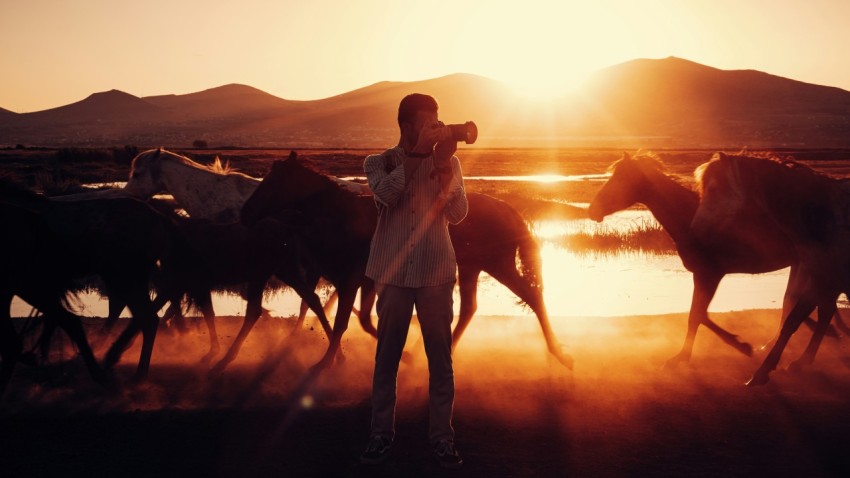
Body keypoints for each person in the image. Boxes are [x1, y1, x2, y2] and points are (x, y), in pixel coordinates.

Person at [359, 93, 469, 469]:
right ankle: (380, 435)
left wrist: (440, 167)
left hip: (436, 271)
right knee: (387, 357)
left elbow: (458, 213)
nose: (435, 130)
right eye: (428, 124)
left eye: (438, 123)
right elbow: (388, 195)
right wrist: (418, 155)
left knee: (440, 358)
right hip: (392, 272)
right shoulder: (378, 162)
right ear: (407, 127)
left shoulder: (449, 162)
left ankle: (442, 438)